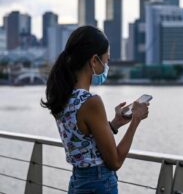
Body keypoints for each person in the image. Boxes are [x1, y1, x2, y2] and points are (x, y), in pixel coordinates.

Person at [41, 25, 149, 193]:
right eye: (106, 60)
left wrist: (114, 124)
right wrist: (135, 120)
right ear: (93, 61)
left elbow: (84, 139)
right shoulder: (91, 102)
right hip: (99, 183)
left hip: (78, 181)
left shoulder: (63, 96)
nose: (106, 66)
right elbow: (115, 162)